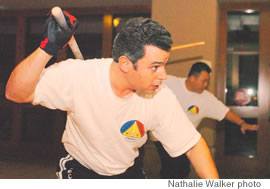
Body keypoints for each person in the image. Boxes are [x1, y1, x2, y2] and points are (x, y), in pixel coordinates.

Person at [5, 10, 219, 179]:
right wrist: (47, 49)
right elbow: (16, 93)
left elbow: (192, 145)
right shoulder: (80, 76)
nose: (163, 75)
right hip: (81, 168)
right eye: (155, 67)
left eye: (164, 65)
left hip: (128, 170)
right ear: (125, 64)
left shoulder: (160, 96)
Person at [151, 61, 258, 179]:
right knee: (173, 169)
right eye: (204, 81)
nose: (206, 85)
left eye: (207, 81)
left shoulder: (206, 98)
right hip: (161, 138)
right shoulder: (169, 83)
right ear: (192, 78)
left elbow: (224, 111)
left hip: (185, 141)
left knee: (182, 169)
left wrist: (242, 123)